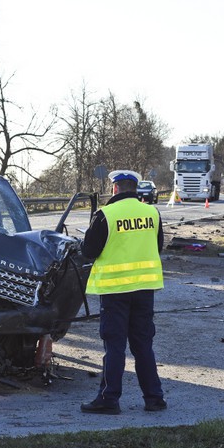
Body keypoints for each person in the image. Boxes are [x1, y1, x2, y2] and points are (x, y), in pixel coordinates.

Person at [80, 169, 166, 415]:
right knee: (143, 346)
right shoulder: (152, 212)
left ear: (115, 188)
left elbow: (89, 251)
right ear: (135, 188)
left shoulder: (106, 214)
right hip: (145, 289)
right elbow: (157, 246)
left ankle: (109, 399)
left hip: (115, 290)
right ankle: (154, 398)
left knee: (115, 346)